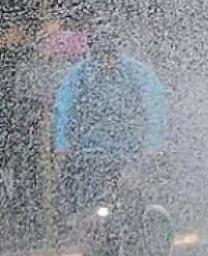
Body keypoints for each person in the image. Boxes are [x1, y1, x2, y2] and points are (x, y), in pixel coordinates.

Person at [51, 32, 167, 217]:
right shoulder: (79, 74)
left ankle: (142, 219)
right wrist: (61, 143)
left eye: (110, 55)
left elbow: (155, 107)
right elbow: (63, 109)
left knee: (133, 190)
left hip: (131, 151)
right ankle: (87, 223)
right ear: (93, 55)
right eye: (100, 56)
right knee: (88, 201)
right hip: (90, 152)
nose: (106, 61)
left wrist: (153, 143)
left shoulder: (137, 72)